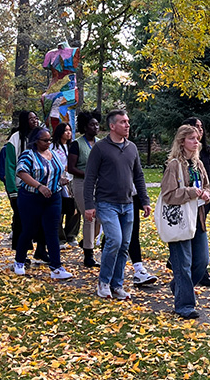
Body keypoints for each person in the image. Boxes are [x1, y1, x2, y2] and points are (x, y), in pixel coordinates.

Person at [84, 109, 151, 300]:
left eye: (127, 121)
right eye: (122, 122)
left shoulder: (131, 148)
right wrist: (89, 204)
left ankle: (117, 285)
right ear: (112, 126)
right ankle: (103, 282)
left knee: (124, 245)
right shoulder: (100, 148)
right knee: (114, 240)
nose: (127, 125)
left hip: (128, 203)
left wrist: (144, 201)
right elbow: (90, 178)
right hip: (106, 203)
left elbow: (138, 176)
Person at [161, 125, 210, 318]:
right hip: (180, 221)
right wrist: (191, 192)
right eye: (192, 139)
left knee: (201, 261)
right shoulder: (174, 165)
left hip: (197, 219)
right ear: (182, 142)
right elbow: (168, 195)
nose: (196, 142)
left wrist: (206, 194)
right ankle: (184, 305)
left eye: (197, 139)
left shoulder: (198, 164)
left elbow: (206, 184)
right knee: (182, 264)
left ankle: (179, 286)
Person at [13, 127, 73, 280]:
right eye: (45, 140)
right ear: (36, 141)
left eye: (50, 140)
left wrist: (60, 181)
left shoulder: (52, 154)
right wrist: (38, 186)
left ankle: (56, 267)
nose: (48, 143)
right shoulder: (28, 155)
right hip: (31, 197)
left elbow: (54, 172)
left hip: (53, 197)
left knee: (52, 231)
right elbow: (22, 172)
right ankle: (19, 261)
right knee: (30, 229)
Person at [182, 117, 210, 286]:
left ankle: (200, 271)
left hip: (203, 202)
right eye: (196, 127)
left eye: (201, 127)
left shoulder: (207, 152)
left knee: (199, 234)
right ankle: (184, 272)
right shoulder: (179, 157)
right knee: (189, 236)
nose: (200, 130)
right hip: (185, 203)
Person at [3, 111, 48, 262]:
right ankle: (21, 253)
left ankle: (41, 249)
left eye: (36, 117)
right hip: (21, 186)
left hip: (41, 185)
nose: (35, 121)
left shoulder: (41, 136)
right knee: (22, 220)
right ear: (24, 121)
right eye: (31, 118)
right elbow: (10, 164)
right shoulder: (15, 139)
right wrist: (12, 188)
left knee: (44, 218)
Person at [68, 110, 101, 267]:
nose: (95, 127)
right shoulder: (77, 144)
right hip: (81, 184)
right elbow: (71, 168)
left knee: (101, 218)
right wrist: (88, 174)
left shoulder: (101, 144)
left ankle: (86, 242)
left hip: (99, 185)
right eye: (91, 124)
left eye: (97, 124)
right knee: (90, 216)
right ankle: (89, 254)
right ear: (84, 126)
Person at [51, 122, 81, 249]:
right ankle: (60, 237)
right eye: (65, 130)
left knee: (75, 208)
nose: (68, 133)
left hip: (72, 180)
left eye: (70, 130)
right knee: (60, 209)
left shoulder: (72, 146)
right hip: (58, 180)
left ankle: (71, 234)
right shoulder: (53, 146)